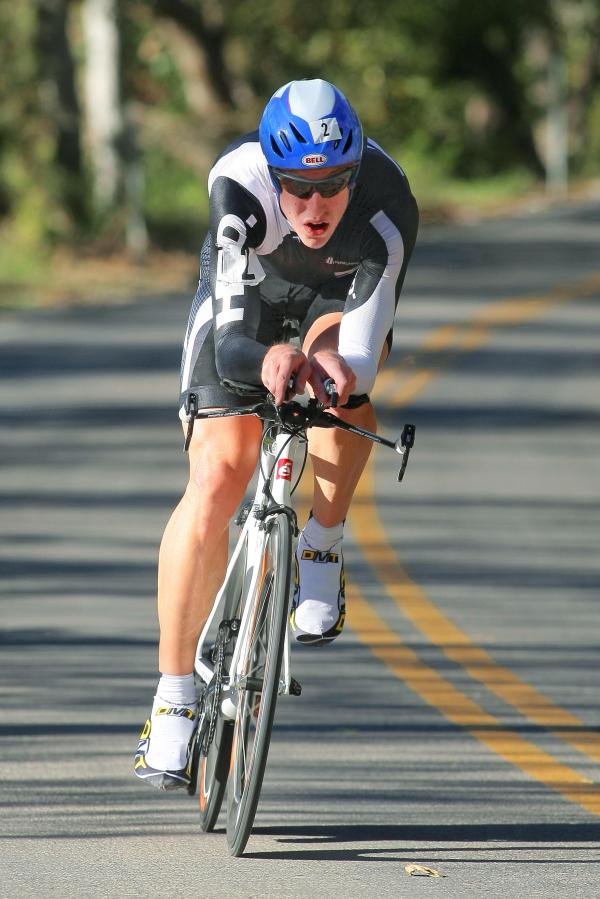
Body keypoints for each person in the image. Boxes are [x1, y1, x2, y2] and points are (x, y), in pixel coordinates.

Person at [134, 78, 418, 789]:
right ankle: (172, 696)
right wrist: (265, 358)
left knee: (342, 395)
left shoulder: (388, 205)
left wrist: (327, 366)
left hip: (333, 301)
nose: (316, 205)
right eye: (297, 187)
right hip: (245, 305)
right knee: (218, 473)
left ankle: (320, 541)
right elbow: (231, 341)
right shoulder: (238, 183)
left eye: (333, 185)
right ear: (273, 173)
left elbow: (359, 354)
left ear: (355, 171)